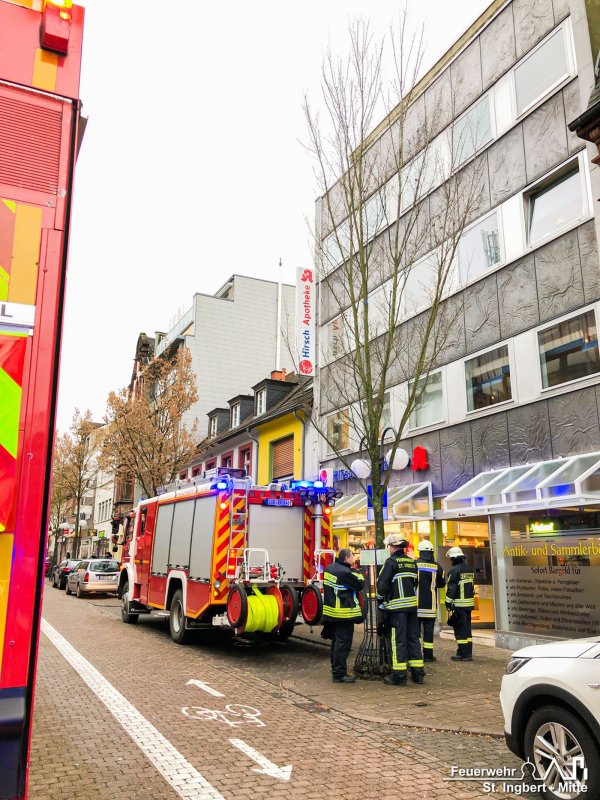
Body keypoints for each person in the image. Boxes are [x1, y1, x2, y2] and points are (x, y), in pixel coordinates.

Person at [377, 534, 425, 685]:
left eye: (389, 547)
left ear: (392, 547)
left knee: (398, 641)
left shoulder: (391, 562)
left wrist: (380, 598)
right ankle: (418, 674)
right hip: (412, 607)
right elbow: (415, 582)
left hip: (397, 608)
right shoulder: (412, 562)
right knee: (413, 639)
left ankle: (399, 676)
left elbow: (382, 584)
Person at [322, 548, 364, 683]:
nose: (353, 559)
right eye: (352, 556)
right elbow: (360, 584)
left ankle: (335, 668)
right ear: (346, 559)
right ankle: (339, 674)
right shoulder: (345, 572)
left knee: (336, 642)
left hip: (331, 613)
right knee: (343, 644)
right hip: (344, 613)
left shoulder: (330, 568)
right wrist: (357, 572)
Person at [415, 540, 446, 662]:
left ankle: (416, 654)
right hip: (431, 606)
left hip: (416, 605)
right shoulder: (437, 566)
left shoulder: (414, 564)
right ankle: (428, 655)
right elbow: (442, 584)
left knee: (415, 632)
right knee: (428, 632)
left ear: (420, 552)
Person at [445, 546, 475, 661]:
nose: (451, 561)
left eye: (451, 559)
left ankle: (462, 653)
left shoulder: (454, 571)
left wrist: (448, 603)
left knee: (460, 630)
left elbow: (451, 589)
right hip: (468, 605)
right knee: (467, 630)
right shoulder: (469, 569)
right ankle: (468, 652)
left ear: (454, 558)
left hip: (459, 606)